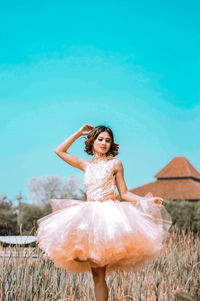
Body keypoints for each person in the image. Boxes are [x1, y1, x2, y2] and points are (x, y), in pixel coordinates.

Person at [36, 124, 172, 301]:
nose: (104, 143)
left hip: (108, 217)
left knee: (99, 273)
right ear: (92, 141)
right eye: (100, 139)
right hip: (87, 217)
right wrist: (79, 133)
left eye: (108, 140)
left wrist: (146, 201)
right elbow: (59, 151)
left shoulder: (115, 163)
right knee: (92, 271)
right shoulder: (85, 165)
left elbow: (124, 193)